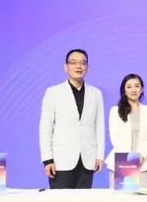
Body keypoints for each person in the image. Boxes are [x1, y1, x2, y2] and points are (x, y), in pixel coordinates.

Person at [39, 49, 104, 189]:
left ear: (87, 67)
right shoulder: (53, 92)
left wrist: (99, 156)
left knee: (83, 201)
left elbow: (99, 127)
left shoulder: (96, 93)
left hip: (87, 159)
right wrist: (47, 160)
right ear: (66, 67)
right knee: (60, 201)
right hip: (61, 160)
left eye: (83, 63)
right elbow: (46, 128)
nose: (78, 66)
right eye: (73, 62)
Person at [104, 74, 147, 188]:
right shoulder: (115, 110)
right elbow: (114, 137)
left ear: (142, 89)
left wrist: (141, 156)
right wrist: (128, 159)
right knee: (121, 198)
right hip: (121, 162)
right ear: (124, 90)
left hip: (143, 163)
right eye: (129, 87)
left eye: (137, 86)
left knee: (142, 197)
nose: (133, 90)